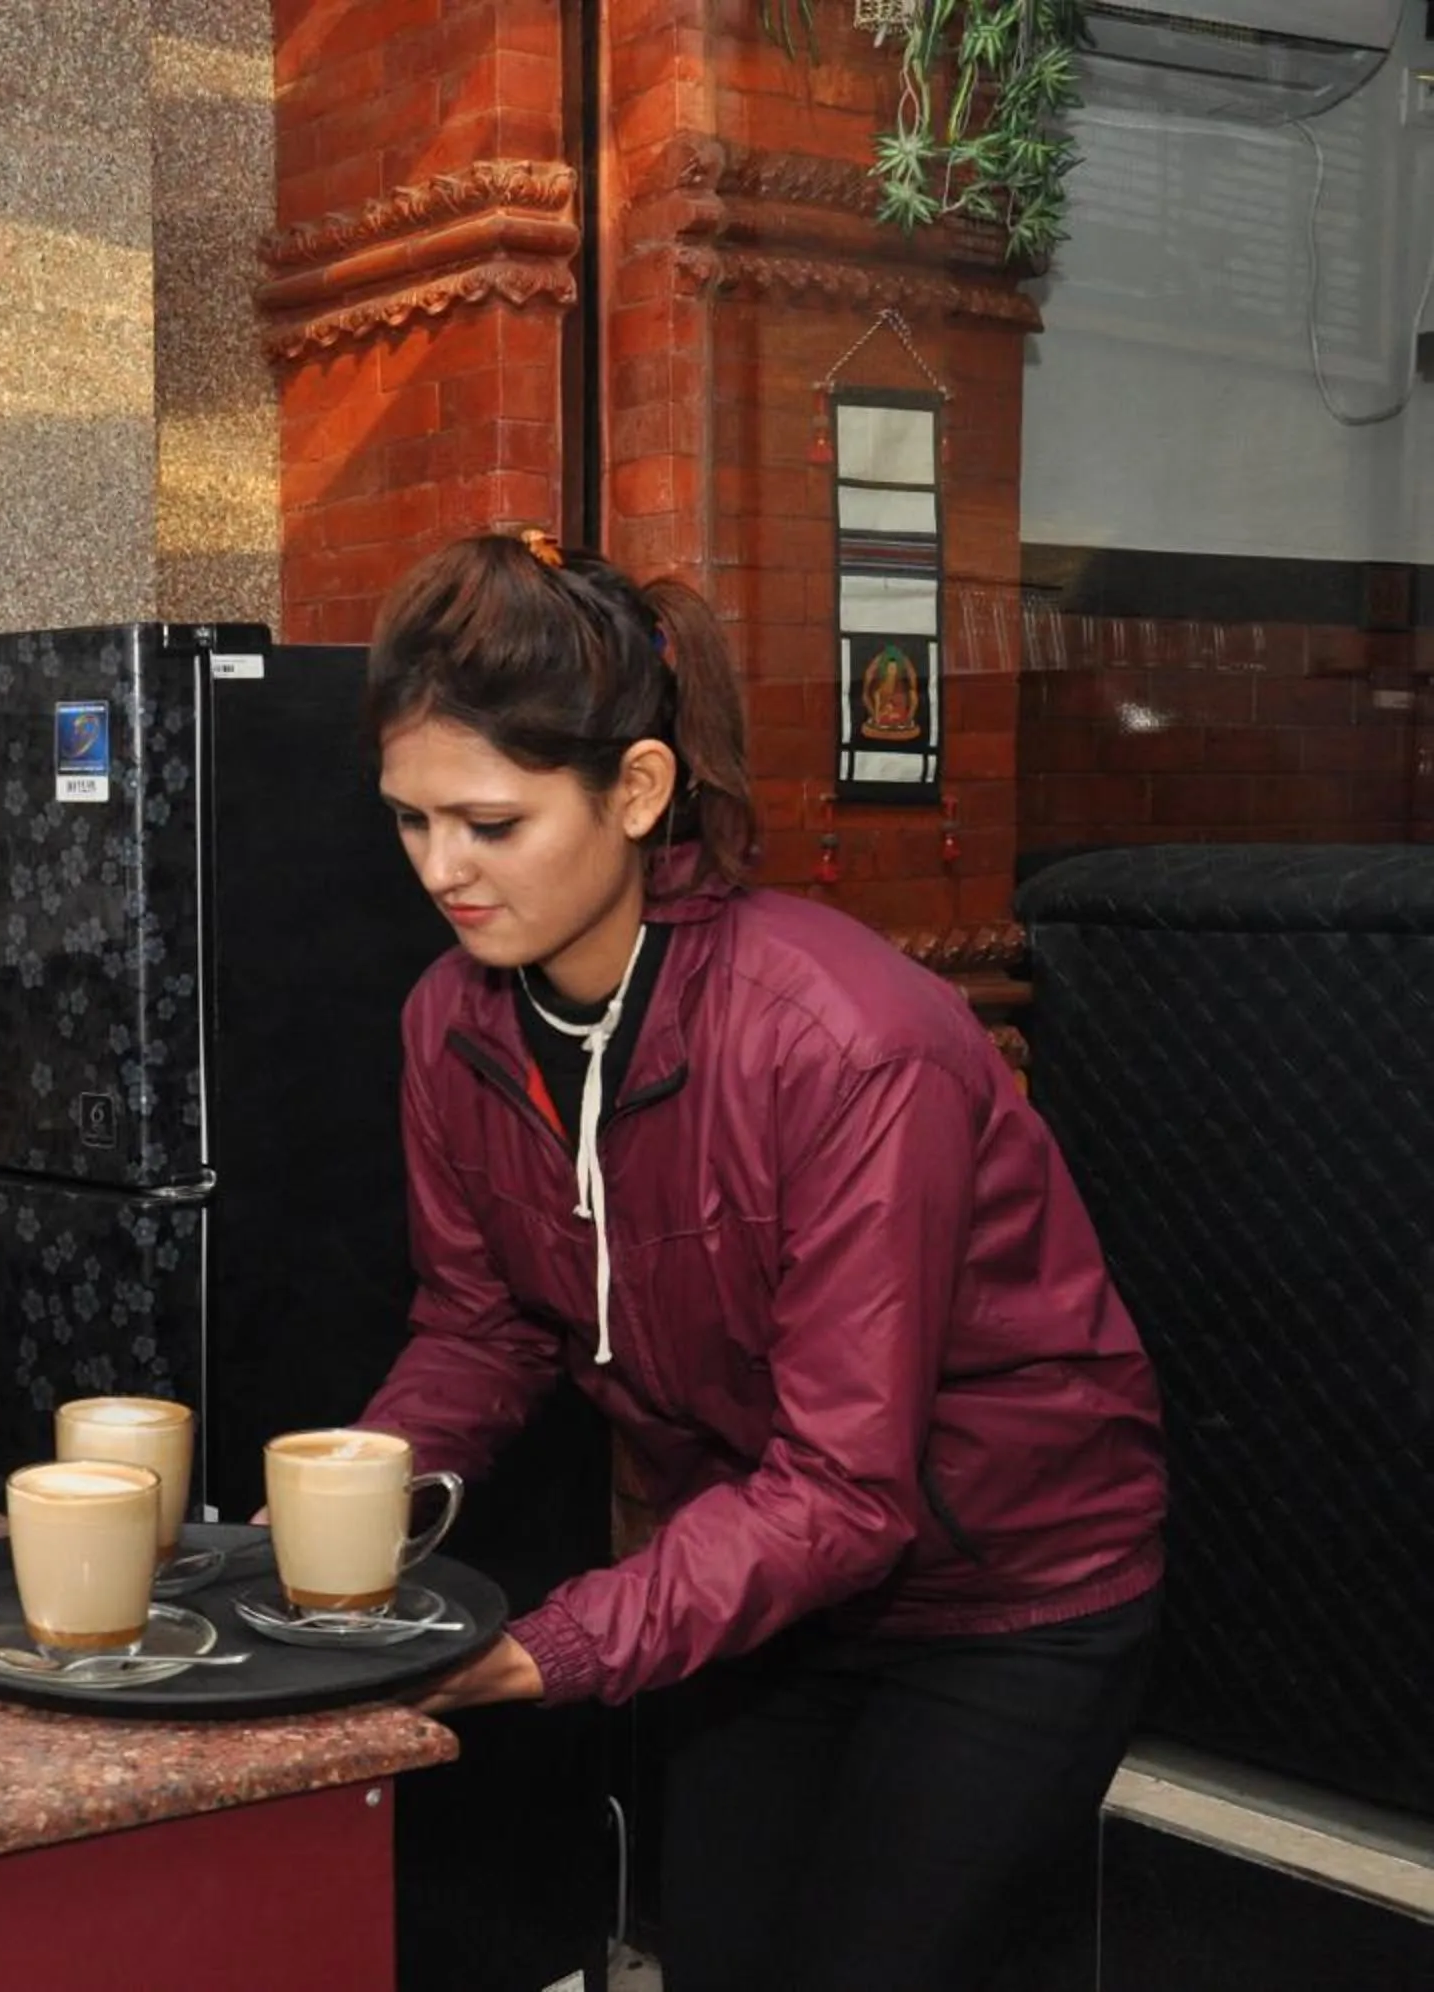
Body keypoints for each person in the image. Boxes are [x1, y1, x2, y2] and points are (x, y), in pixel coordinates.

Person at [348, 529, 1165, 1992]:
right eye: (412, 824)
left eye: (488, 822)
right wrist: (355, 1497)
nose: (441, 871)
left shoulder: (847, 1043)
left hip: (1004, 1596)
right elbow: (483, 1323)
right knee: (722, 1958)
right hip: (768, 1571)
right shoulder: (450, 1026)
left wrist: (548, 1649)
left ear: (638, 791)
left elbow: (851, 1486)